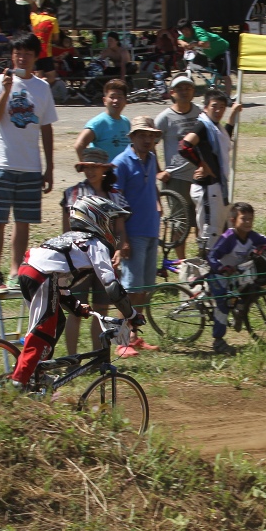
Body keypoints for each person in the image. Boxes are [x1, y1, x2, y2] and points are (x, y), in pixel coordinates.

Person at [9, 196, 143, 388]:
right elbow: (111, 286)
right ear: (97, 220)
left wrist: (77, 307)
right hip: (41, 276)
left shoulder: (73, 239)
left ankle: (36, 372)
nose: (113, 229)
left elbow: (60, 285)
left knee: (56, 322)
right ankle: (19, 380)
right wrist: (131, 314)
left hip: (31, 271)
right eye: (110, 222)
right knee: (43, 329)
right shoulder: (95, 243)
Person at [0, 31, 58, 294]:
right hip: (1, 161)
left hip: (30, 165)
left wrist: (49, 167)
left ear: (35, 57)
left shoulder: (42, 88)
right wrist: (6, 90)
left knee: (23, 221)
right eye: (17, 53)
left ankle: (15, 270)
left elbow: (46, 128)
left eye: (27, 53)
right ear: (11, 55)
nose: (21, 57)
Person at [59, 148, 130, 355]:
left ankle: (98, 356)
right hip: (78, 261)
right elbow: (66, 231)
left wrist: (117, 251)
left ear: (104, 169)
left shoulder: (115, 196)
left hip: (104, 261)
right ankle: (72, 357)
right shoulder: (73, 194)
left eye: (95, 167)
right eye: (87, 167)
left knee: (102, 311)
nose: (91, 172)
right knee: (75, 311)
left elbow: (120, 231)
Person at [112, 115, 163, 357]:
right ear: (132, 137)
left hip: (151, 229)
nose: (147, 139)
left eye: (151, 135)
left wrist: (159, 206)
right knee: (129, 290)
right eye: (142, 134)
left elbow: (152, 186)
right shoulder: (121, 163)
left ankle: (133, 335)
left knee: (143, 289)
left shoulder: (152, 158)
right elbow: (115, 204)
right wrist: (122, 240)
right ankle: (121, 341)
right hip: (132, 233)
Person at [206, 202, 266, 356]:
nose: (248, 223)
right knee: (223, 304)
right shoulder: (228, 238)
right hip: (219, 275)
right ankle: (218, 341)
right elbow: (212, 256)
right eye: (244, 219)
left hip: (237, 275)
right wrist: (220, 268)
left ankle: (239, 311)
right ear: (233, 221)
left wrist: (265, 247)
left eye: (250, 219)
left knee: (252, 288)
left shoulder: (252, 236)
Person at [177, 88, 242, 251]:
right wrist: (201, 164)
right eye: (215, 106)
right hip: (206, 188)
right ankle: (207, 268)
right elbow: (184, 146)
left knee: (224, 227)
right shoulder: (202, 126)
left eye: (222, 107)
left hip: (217, 186)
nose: (219, 110)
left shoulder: (216, 128)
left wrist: (233, 115)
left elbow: (224, 138)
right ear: (206, 107)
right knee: (210, 231)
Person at [154, 75, 203, 258]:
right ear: (172, 93)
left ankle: (201, 259)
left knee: (201, 221)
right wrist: (159, 171)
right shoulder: (164, 118)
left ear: (193, 91)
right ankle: (182, 262)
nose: (184, 92)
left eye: (188, 88)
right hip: (176, 179)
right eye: (180, 89)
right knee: (179, 223)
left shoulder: (200, 113)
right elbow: (150, 145)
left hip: (200, 176)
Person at [74, 79, 131, 163]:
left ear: (125, 101)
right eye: (112, 97)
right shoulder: (99, 123)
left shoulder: (126, 122)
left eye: (120, 97)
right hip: (106, 174)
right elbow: (79, 145)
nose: (116, 101)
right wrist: (89, 168)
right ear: (105, 100)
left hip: (123, 173)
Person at [176, 19, 233, 98]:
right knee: (212, 73)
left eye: (186, 31)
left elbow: (205, 43)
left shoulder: (198, 31)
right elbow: (179, 39)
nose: (185, 33)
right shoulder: (185, 35)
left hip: (221, 51)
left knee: (225, 75)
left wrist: (193, 44)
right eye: (183, 32)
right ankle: (215, 96)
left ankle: (228, 97)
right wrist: (183, 43)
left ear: (190, 28)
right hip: (211, 54)